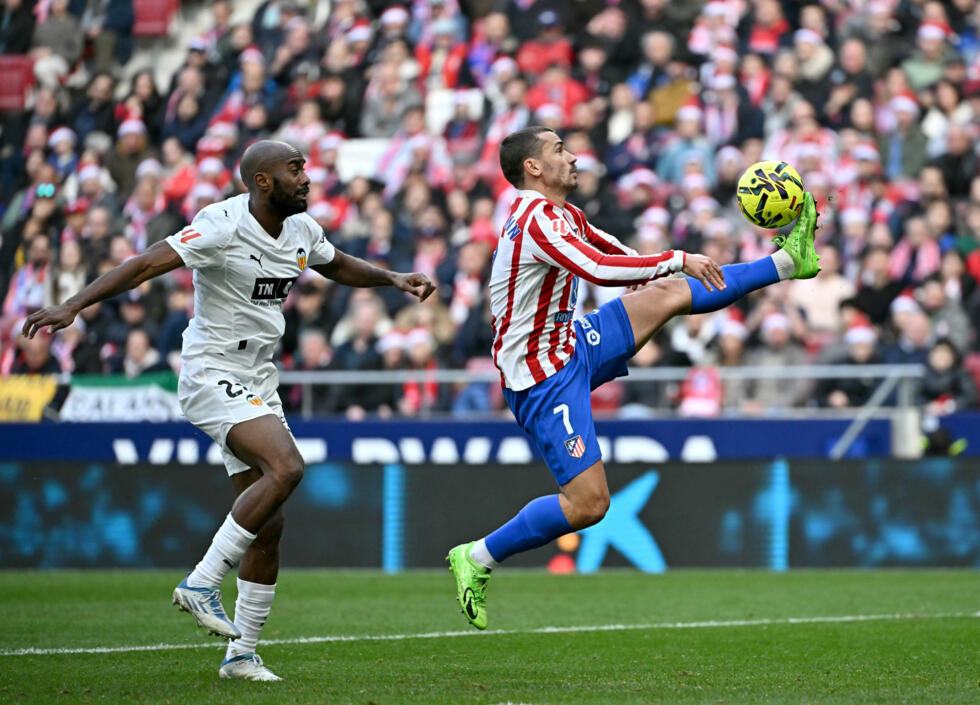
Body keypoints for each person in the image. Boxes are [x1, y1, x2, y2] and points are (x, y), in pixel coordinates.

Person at [22, 140, 435, 680]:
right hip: (211, 369)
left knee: (269, 522)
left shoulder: (303, 229)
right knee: (287, 467)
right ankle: (201, 580)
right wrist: (73, 305)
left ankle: (241, 654)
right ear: (262, 182)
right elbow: (147, 263)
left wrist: (392, 278)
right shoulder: (220, 224)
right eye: (295, 170)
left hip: (259, 377)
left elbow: (337, 265)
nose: (307, 178)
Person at [445, 126, 819, 629]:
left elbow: (624, 262)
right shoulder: (534, 221)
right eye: (559, 150)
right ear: (532, 167)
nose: (573, 156)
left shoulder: (563, 215)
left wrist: (672, 268)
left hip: (570, 344)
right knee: (589, 504)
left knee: (667, 291)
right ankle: (478, 556)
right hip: (541, 379)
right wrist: (681, 258)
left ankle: (786, 261)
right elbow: (599, 269)